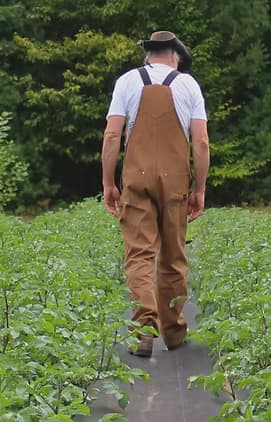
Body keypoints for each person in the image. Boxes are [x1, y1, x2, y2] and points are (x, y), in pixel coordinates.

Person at [100, 31, 210, 357]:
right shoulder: (189, 85)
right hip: (176, 181)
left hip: (137, 178)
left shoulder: (127, 82)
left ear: (148, 54)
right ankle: (174, 332)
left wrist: (109, 182)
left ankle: (144, 330)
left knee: (139, 256)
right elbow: (201, 143)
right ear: (175, 55)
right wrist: (199, 188)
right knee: (173, 257)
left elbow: (111, 135)